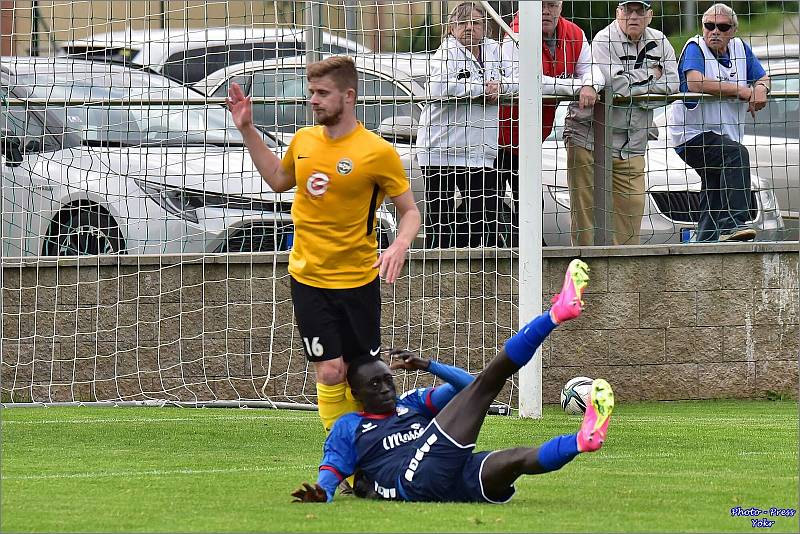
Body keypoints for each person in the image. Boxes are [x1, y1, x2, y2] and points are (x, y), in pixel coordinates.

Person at [291, 259, 617, 504]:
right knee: (490, 381)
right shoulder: (350, 425)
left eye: (387, 379)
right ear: (356, 392)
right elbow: (333, 465)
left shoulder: (412, 404)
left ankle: (582, 441)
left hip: (445, 475)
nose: (386, 388)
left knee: (516, 459)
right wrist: (324, 491)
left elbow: (467, 385)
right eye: (375, 384)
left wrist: (428, 364)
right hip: (412, 476)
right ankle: (556, 314)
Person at [226, 56, 421, 437]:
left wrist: (398, 244)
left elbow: (410, 211)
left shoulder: (377, 152)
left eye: (322, 93)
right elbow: (279, 179)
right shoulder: (303, 140)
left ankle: (371, 451)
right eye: (311, 92)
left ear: (348, 96)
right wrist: (247, 128)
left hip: (358, 282)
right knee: (330, 370)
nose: (313, 100)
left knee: (362, 376)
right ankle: (342, 457)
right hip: (309, 278)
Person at [563, 0, 679, 246]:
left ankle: (623, 282)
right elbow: (613, 86)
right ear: (618, 13)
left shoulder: (660, 41)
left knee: (630, 219)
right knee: (587, 221)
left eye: (640, 11)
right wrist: (652, 75)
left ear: (650, 15)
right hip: (589, 139)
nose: (633, 16)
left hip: (633, 144)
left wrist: (634, 92)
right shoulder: (603, 40)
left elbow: (672, 85)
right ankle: (587, 279)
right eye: (628, 10)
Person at [499, 1, 605, 246]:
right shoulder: (515, 33)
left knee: (532, 200)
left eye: (552, 4)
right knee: (490, 203)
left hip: (532, 139)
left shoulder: (574, 33)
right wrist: (578, 86)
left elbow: (595, 71)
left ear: (561, 6)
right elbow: (527, 81)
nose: (546, 10)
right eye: (541, 5)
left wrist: (590, 84)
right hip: (496, 139)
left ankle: (534, 252)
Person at [667, 3, 769, 242]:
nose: (715, 32)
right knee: (735, 155)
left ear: (733, 30)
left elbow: (763, 77)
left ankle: (704, 241)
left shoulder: (741, 49)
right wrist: (744, 91)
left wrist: (761, 89)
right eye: (709, 26)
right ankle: (734, 224)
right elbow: (696, 83)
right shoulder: (695, 47)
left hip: (725, 135)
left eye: (722, 27)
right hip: (691, 135)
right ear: (703, 27)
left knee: (714, 188)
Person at [415, 2, 506, 248]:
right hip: (440, 152)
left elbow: (518, 79)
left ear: (484, 27)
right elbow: (438, 87)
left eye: (475, 23)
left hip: (479, 154)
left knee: (481, 224)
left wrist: (502, 87)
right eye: (462, 23)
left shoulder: (495, 50)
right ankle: (436, 281)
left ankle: (476, 282)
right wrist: (481, 90)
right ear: (451, 28)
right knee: (440, 226)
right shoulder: (446, 53)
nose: (469, 28)